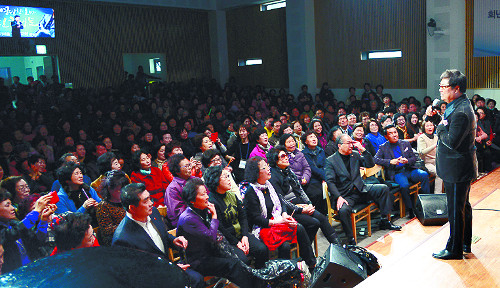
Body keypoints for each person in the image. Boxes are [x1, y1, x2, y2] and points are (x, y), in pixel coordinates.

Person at [112, 183, 204, 288]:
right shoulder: (122, 238)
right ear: (132, 208)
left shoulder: (153, 212)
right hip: (153, 281)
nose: (151, 203)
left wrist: (173, 240)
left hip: (168, 267)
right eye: (145, 201)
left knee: (198, 278)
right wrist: (170, 270)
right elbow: (136, 273)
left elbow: (162, 234)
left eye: (150, 198)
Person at [432, 69, 476, 260]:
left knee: (455, 210)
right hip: (459, 166)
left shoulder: (461, 112)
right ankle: (465, 243)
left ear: (456, 88)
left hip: (457, 168)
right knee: (462, 206)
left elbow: (452, 141)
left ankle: (455, 249)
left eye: (443, 86)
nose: (440, 90)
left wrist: (440, 128)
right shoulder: (458, 104)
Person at [242, 157, 317, 269]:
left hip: (277, 220)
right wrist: (277, 221)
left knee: (298, 229)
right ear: (256, 173)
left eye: (267, 165)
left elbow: (281, 202)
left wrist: (284, 215)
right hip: (263, 227)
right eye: (264, 167)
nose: (268, 169)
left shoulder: (269, 184)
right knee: (289, 240)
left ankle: (309, 264)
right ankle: (294, 270)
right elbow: (256, 219)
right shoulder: (251, 192)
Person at [325, 134, 401, 245]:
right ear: (339, 146)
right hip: (346, 195)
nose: (351, 145)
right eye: (348, 143)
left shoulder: (355, 155)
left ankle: (384, 220)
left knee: (383, 188)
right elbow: (330, 182)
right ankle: (350, 239)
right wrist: (339, 197)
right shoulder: (331, 161)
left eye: (352, 143)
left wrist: (363, 150)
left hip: (361, 189)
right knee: (343, 210)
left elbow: (370, 164)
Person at [267, 146, 340, 245]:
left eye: (286, 155)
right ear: (275, 160)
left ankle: (338, 246)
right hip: (287, 210)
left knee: (322, 218)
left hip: (299, 203)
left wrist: (309, 203)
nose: (286, 157)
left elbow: (300, 190)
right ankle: (305, 250)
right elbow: (281, 200)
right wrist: (300, 209)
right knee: (314, 223)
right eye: (283, 156)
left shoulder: (289, 171)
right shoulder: (273, 176)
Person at [203, 166, 269, 268]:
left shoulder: (232, 195)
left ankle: (260, 277)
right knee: (243, 261)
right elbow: (220, 228)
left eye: (228, 177)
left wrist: (245, 236)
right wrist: (237, 243)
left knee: (262, 249)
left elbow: (243, 217)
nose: (229, 180)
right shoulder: (212, 201)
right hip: (227, 240)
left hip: (241, 235)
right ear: (215, 181)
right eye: (225, 177)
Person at [374, 125, 430, 218]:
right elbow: (375, 159)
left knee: (424, 175)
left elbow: (414, 158)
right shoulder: (383, 147)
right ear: (386, 137)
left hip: (409, 169)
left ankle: (426, 203)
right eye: (390, 133)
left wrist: (407, 161)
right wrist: (390, 162)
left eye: (395, 132)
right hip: (397, 172)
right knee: (404, 186)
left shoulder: (405, 143)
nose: (394, 135)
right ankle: (410, 209)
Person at [0, 189, 56, 273]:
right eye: (7, 205)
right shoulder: (12, 228)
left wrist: (43, 220)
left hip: (31, 270)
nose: (12, 208)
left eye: (11, 204)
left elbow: (37, 242)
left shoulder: (14, 223)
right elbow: (12, 234)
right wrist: (36, 211)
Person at [96, 170, 130, 246]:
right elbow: (107, 230)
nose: (123, 192)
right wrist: (129, 224)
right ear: (109, 189)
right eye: (119, 190)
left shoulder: (127, 200)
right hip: (115, 241)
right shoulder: (103, 206)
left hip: (130, 234)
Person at [164, 154, 196, 227]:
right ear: (177, 170)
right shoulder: (172, 189)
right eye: (186, 166)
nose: (190, 168)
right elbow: (178, 213)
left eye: (189, 165)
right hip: (185, 223)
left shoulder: (194, 180)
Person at [417, 120, 443, 194]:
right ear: (424, 128)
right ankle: (438, 195)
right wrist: (434, 146)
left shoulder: (436, 136)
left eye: (431, 125)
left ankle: (449, 193)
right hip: (427, 163)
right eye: (427, 126)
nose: (429, 127)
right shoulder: (421, 138)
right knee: (439, 173)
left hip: (437, 161)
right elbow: (422, 151)